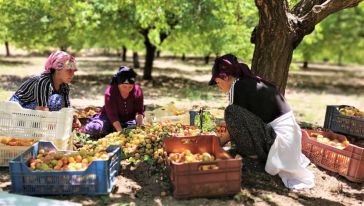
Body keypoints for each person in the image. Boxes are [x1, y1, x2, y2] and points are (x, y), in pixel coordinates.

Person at [209, 54, 314, 190]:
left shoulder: (238, 86)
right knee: (233, 115)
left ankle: (253, 158)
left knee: (231, 112)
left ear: (225, 77)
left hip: (280, 143)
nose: (219, 87)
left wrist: (217, 144)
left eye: (217, 82)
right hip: (288, 141)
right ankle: (254, 154)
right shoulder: (248, 83)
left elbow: (236, 120)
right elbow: (251, 119)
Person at [83, 66, 144, 138]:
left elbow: (139, 111)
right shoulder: (110, 93)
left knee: (133, 130)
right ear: (118, 84)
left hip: (128, 120)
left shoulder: (138, 90)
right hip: (108, 118)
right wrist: (121, 134)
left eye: (130, 87)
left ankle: (112, 130)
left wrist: (140, 127)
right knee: (95, 128)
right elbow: (112, 116)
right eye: (124, 86)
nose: (127, 89)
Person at [10, 51, 77, 111]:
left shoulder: (64, 86)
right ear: (57, 69)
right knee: (55, 99)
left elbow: (66, 108)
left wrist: (73, 119)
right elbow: (42, 109)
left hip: (33, 108)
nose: (72, 74)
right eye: (68, 70)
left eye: (73, 71)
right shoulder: (44, 82)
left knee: (57, 101)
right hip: (17, 108)